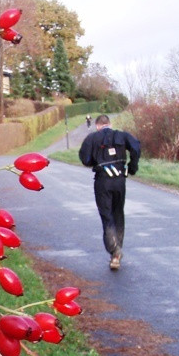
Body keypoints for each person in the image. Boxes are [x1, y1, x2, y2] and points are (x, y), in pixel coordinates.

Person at [78, 114, 141, 270]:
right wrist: (132, 167)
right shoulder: (122, 135)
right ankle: (117, 249)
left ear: (98, 125)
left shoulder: (92, 138)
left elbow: (85, 159)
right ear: (109, 124)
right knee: (118, 213)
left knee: (107, 216)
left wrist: (95, 160)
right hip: (120, 181)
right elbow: (136, 147)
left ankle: (114, 250)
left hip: (102, 180)